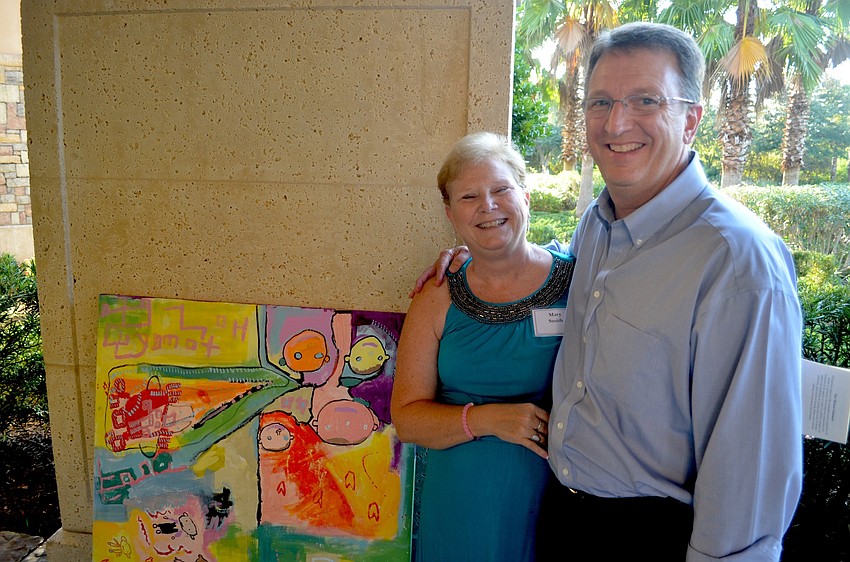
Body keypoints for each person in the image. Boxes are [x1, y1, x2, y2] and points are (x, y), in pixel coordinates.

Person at [413, 22, 803, 561]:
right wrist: (483, 254)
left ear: (691, 119)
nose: (617, 122)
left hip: (651, 534)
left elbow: (750, 464)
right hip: (563, 516)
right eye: (600, 102)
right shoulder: (597, 229)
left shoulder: (737, 262)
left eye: (645, 99)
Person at [390, 132, 575, 561]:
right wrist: (491, 420)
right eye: (469, 196)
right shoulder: (437, 293)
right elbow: (408, 420)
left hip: (552, 503)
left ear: (526, 197)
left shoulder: (578, 284)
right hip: (457, 510)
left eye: (501, 190)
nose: (488, 206)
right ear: (451, 214)